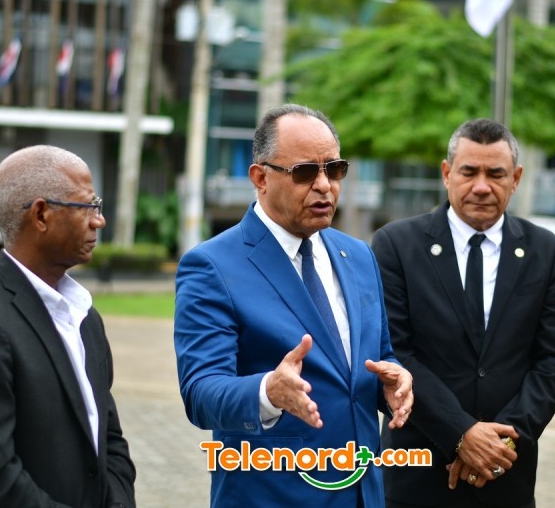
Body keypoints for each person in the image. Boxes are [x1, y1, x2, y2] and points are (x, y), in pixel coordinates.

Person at [174, 103, 413, 508]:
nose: (324, 185)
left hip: (363, 493)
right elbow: (201, 391)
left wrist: (392, 382)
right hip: (272, 496)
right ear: (260, 178)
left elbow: (377, 358)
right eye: (304, 172)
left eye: (334, 169)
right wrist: (268, 391)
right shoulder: (212, 266)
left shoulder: (358, 255)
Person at [371, 118, 555, 507]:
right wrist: (460, 433)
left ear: (516, 179)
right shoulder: (396, 245)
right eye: (469, 172)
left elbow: (554, 360)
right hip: (417, 475)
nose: (482, 186)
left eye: (496, 174)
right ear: (446, 173)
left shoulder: (545, 251)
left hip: (505, 474)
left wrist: (498, 444)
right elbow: (393, 352)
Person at [0, 145, 136, 508]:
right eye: (88, 206)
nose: (99, 221)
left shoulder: (85, 316)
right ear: (41, 215)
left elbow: (109, 440)